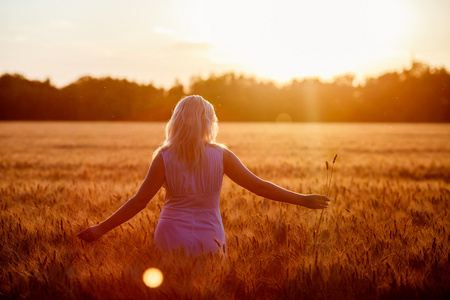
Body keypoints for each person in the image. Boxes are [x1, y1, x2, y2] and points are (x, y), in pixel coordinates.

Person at [77, 95, 330, 256]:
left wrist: (101, 228)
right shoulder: (222, 156)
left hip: (170, 234)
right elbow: (260, 187)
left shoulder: (164, 157)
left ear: (176, 121)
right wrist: (302, 199)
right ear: (209, 122)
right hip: (210, 237)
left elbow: (139, 202)